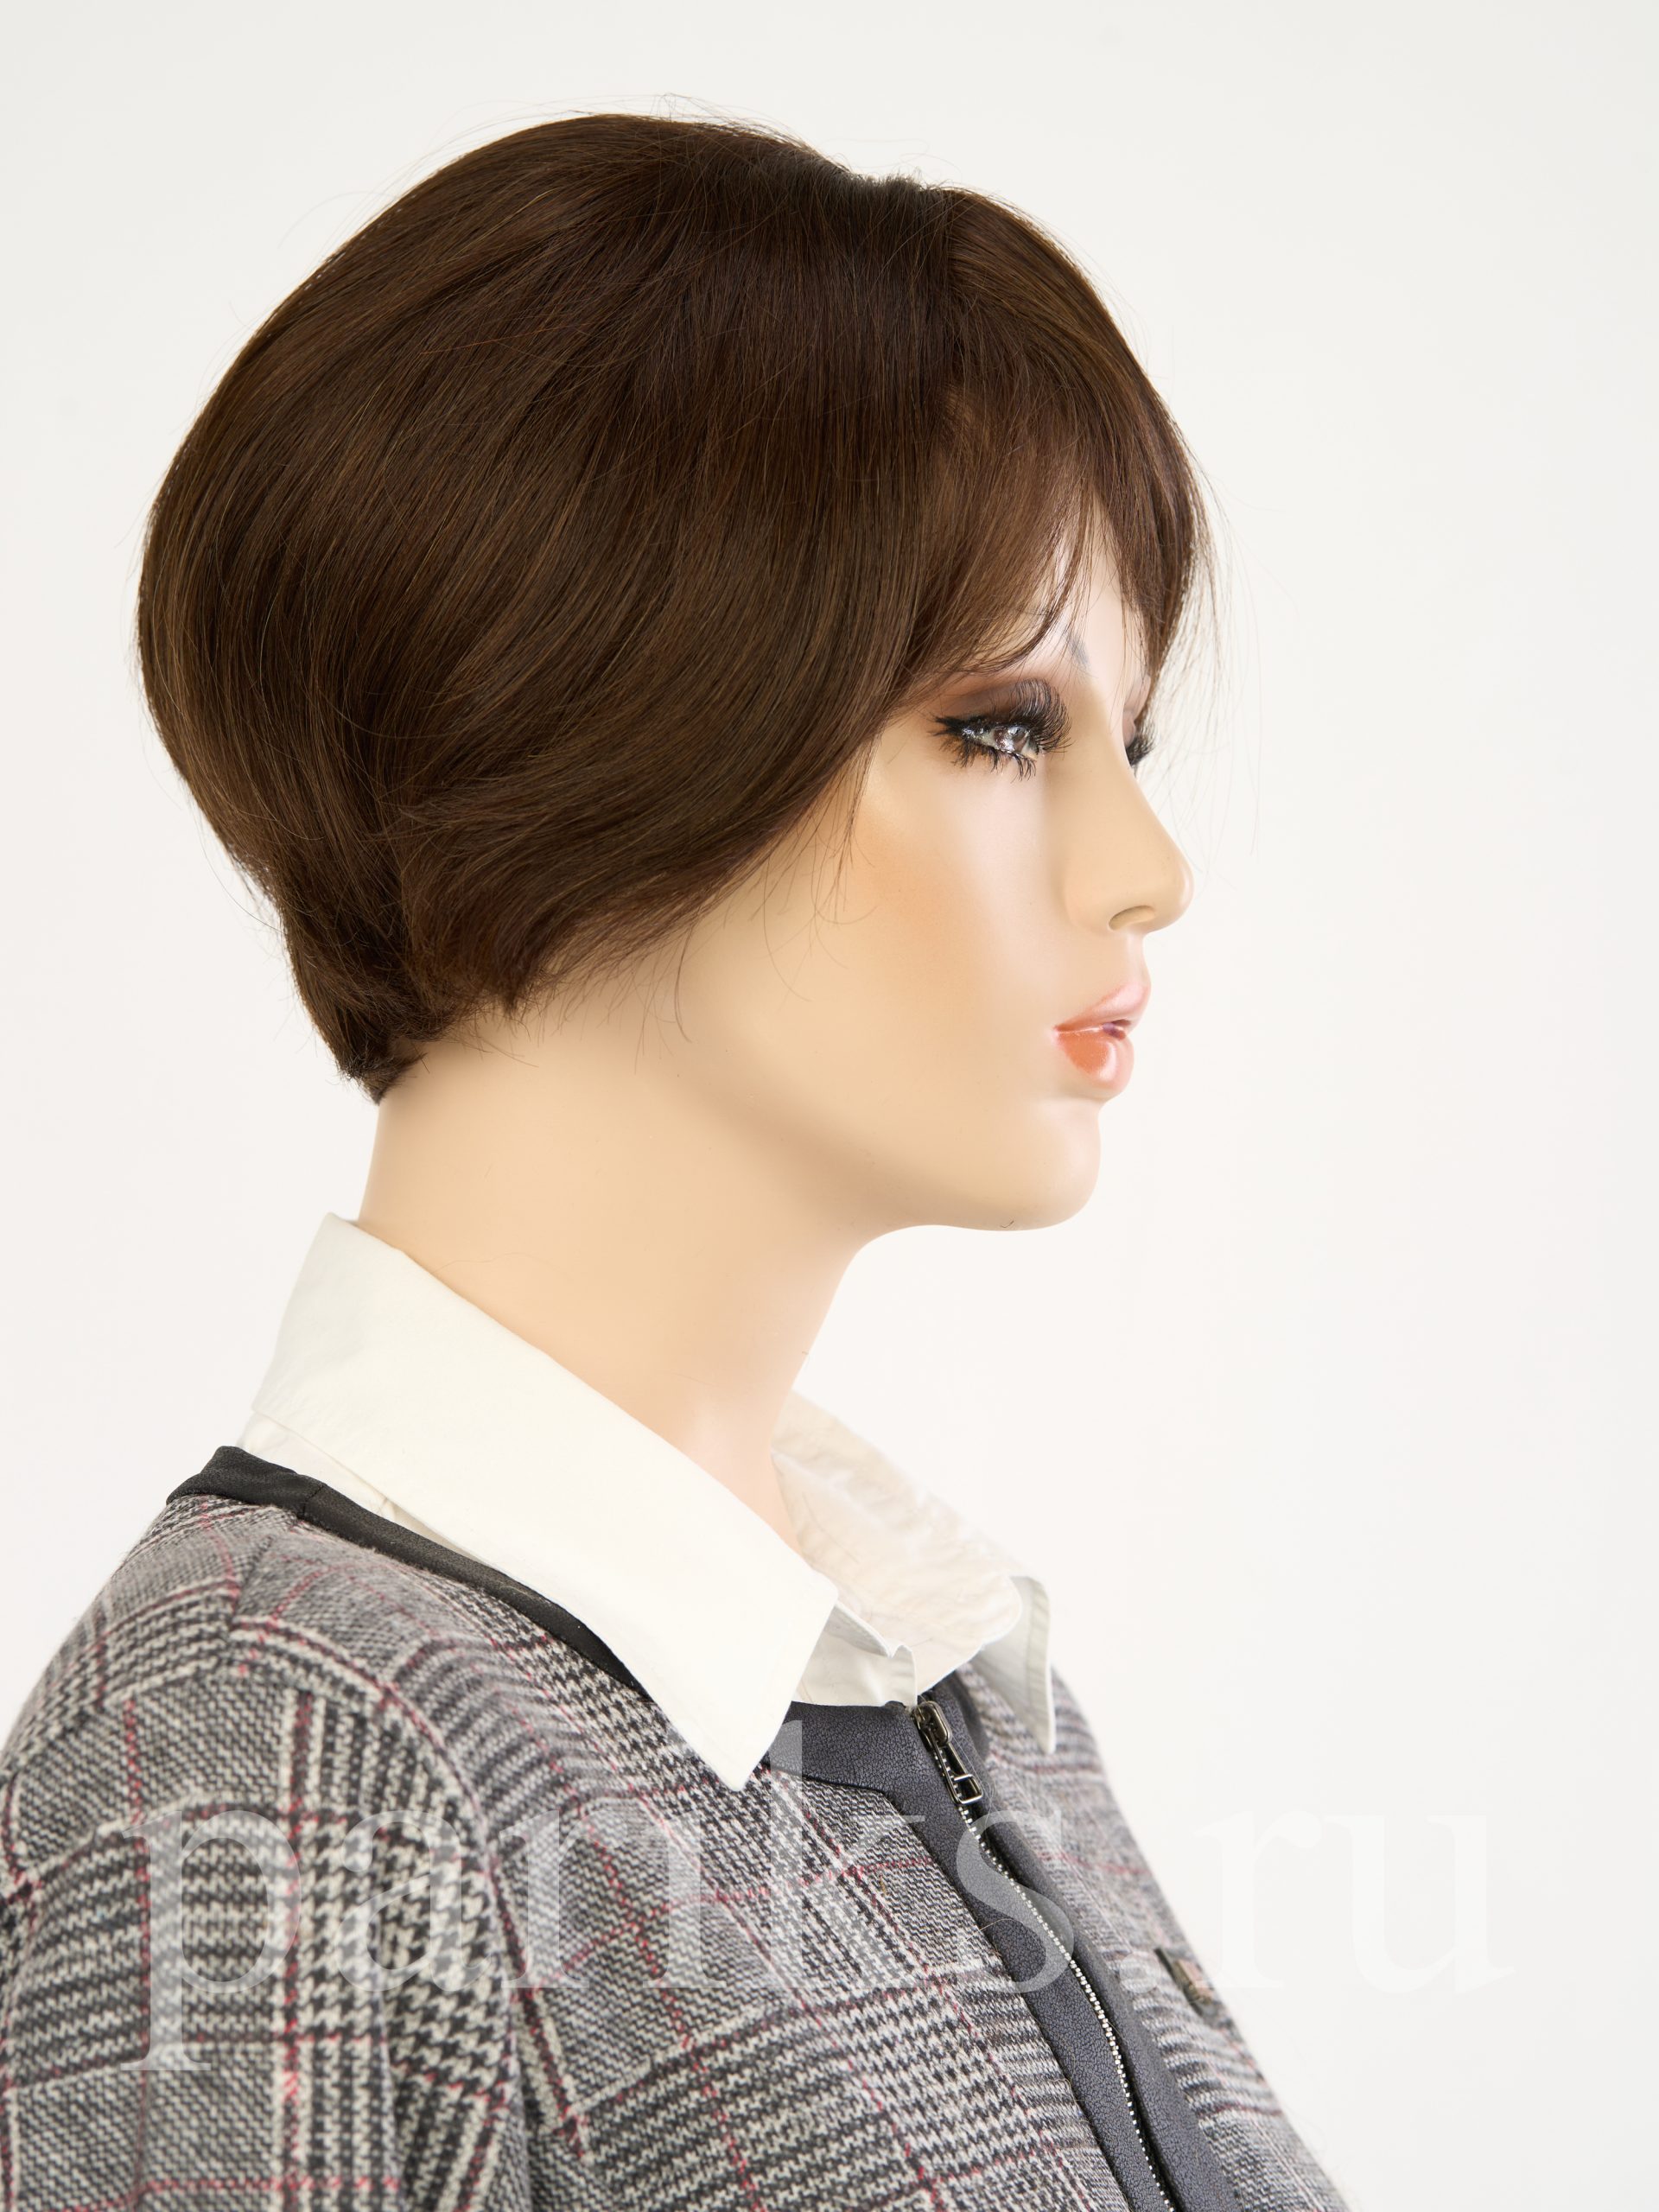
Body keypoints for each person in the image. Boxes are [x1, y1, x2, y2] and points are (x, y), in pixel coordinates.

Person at [0, 112, 1351, 2211]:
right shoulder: (268, 1737)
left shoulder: (935, 1676)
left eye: (1130, 740)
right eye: (1002, 724)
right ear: (589, 723)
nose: (1147, 865)